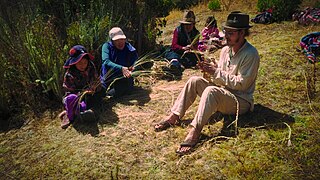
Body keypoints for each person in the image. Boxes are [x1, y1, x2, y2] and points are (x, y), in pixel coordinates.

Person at [154, 12, 260, 155]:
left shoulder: (251, 54)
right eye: (225, 32)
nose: (226, 36)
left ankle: (195, 131)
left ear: (242, 33)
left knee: (211, 91)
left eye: (231, 33)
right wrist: (209, 71)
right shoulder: (225, 51)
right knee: (194, 80)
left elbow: (242, 84)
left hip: (240, 101)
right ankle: (174, 116)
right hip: (224, 94)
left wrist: (216, 72)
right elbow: (219, 79)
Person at [59, 45, 105, 129]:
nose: (83, 65)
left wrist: (94, 88)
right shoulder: (70, 74)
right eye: (79, 63)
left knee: (100, 93)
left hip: (90, 93)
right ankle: (69, 114)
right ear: (74, 63)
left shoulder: (91, 66)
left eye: (85, 62)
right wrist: (83, 92)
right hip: (77, 96)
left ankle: (91, 112)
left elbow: (96, 80)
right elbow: (70, 91)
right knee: (72, 100)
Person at [100, 27, 138, 98]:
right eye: (117, 40)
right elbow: (106, 61)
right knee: (101, 92)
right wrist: (121, 68)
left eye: (122, 39)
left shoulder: (128, 47)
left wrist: (133, 68)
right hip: (108, 77)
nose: (120, 42)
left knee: (123, 90)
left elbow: (135, 60)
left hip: (122, 78)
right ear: (112, 41)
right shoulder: (106, 46)